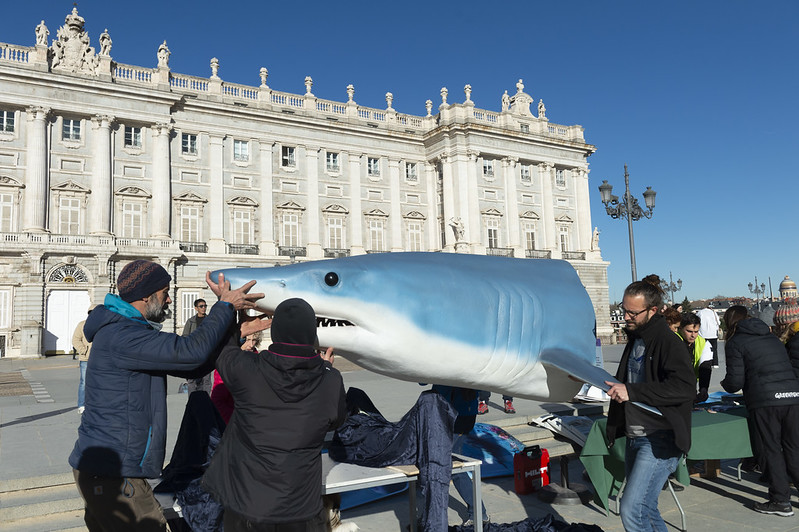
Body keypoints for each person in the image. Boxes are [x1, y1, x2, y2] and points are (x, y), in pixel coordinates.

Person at [68, 260, 264, 532]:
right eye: (164, 292)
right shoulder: (123, 335)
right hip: (114, 474)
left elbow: (192, 366)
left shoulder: (125, 330)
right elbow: (189, 352)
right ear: (145, 295)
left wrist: (233, 334)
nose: (170, 299)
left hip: (107, 469)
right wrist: (224, 306)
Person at [203, 298, 347, 532]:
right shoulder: (330, 380)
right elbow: (336, 421)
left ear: (276, 331)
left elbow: (218, 348)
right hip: (300, 505)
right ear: (312, 333)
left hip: (246, 502)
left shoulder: (247, 369)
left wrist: (231, 318)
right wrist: (326, 370)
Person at [604, 274, 695, 532]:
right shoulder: (636, 338)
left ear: (653, 310)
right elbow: (630, 381)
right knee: (646, 507)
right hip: (637, 436)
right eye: (624, 310)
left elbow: (684, 388)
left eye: (633, 313)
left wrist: (632, 392)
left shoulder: (668, 341)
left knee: (631, 510)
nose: (626, 317)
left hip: (660, 438)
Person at [720, 305, 799, 517]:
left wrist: (725, 385)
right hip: (793, 397)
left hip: (765, 401)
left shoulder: (736, 342)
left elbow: (734, 382)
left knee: (771, 450)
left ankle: (781, 501)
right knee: (794, 449)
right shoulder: (771, 337)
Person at [676, 313, 714, 403]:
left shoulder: (703, 343)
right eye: (689, 331)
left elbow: (705, 367)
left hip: (691, 384)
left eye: (696, 331)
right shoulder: (673, 341)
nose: (693, 335)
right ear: (680, 328)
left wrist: (703, 389)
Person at [182, 298, 212, 393]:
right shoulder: (190, 321)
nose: (204, 308)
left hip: (207, 353)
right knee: (192, 380)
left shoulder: (210, 321)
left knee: (206, 380)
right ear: (196, 308)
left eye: (205, 306)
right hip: (193, 353)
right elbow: (185, 337)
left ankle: (206, 402)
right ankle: (192, 402)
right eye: (201, 306)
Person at [72, 305, 95, 414]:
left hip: (99, 359)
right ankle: (82, 404)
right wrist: (84, 350)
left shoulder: (103, 326)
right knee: (84, 382)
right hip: (85, 359)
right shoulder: (82, 325)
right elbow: (75, 340)